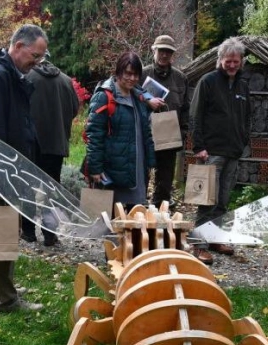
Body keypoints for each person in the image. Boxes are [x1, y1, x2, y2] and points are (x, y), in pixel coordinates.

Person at [0, 24, 47, 313]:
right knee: (1, 231)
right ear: (18, 46)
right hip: (2, 169)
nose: (38, 62)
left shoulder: (9, 75)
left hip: (10, 166)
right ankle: (6, 299)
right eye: (35, 55)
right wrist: (1, 173)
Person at [189, 37, 251, 263]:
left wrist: (243, 140)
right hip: (211, 151)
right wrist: (199, 146)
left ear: (241, 61)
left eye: (236, 61)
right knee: (207, 200)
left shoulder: (243, 85)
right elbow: (195, 115)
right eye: (228, 61)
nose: (232, 65)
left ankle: (215, 238)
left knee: (223, 200)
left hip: (233, 151)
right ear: (220, 60)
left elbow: (247, 116)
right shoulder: (208, 82)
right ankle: (199, 245)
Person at [85, 51, 156, 210]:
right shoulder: (104, 97)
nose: (132, 78)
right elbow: (94, 135)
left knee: (135, 216)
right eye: (128, 74)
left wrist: (150, 161)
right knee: (109, 217)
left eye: (136, 75)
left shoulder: (140, 98)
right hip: (112, 169)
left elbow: (146, 132)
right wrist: (95, 168)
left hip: (136, 168)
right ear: (118, 72)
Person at [26, 53, 80, 246]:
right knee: (51, 189)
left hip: (32, 144)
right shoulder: (65, 80)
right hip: (56, 144)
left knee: (28, 187)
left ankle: (28, 231)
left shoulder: (26, 78)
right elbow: (75, 108)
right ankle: (50, 233)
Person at [141, 35, 191, 209]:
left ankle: (161, 211)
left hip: (169, 135)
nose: (164, 55)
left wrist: (183, 133)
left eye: (168, 52)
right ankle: (138, 209)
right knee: (142, 174)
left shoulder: (180, 78)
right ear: (154, 50)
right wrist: (147, 100)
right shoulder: (142, 74)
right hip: (144, 134)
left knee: (165, 177)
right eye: (161, 50)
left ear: (172, 54)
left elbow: (185, 108)